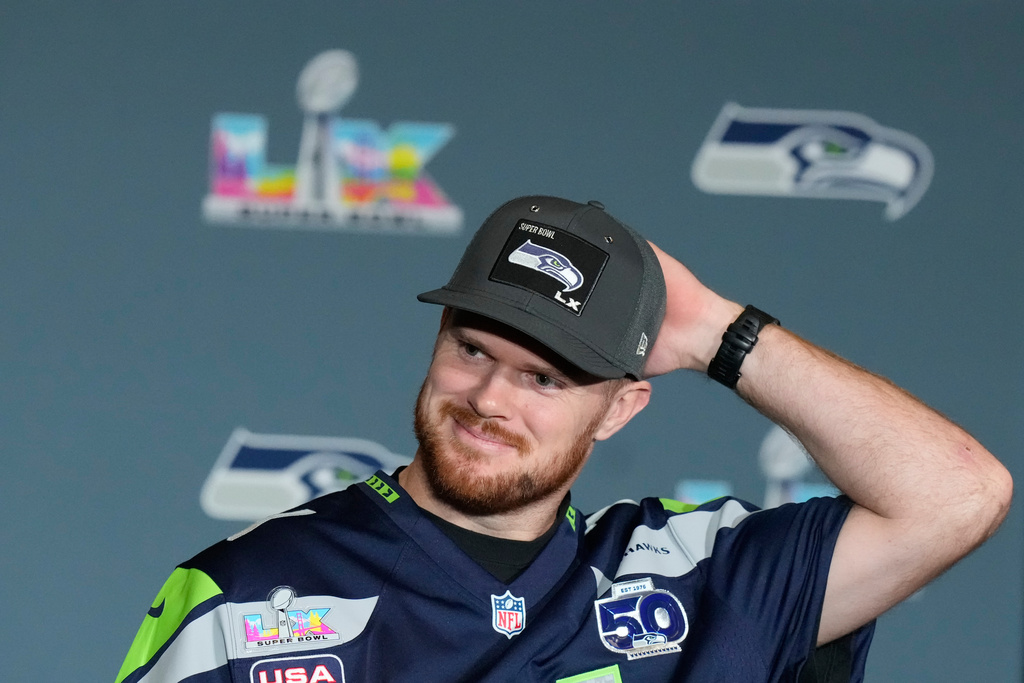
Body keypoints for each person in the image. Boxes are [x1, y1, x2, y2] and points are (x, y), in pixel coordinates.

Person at [116, 196, 1011, 683]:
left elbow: (959, 493)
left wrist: (715, 333)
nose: (489, 398)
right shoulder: (244, 596)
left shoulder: (698, 572)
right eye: (472, 348)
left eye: (545, 377)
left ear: (621, 409)